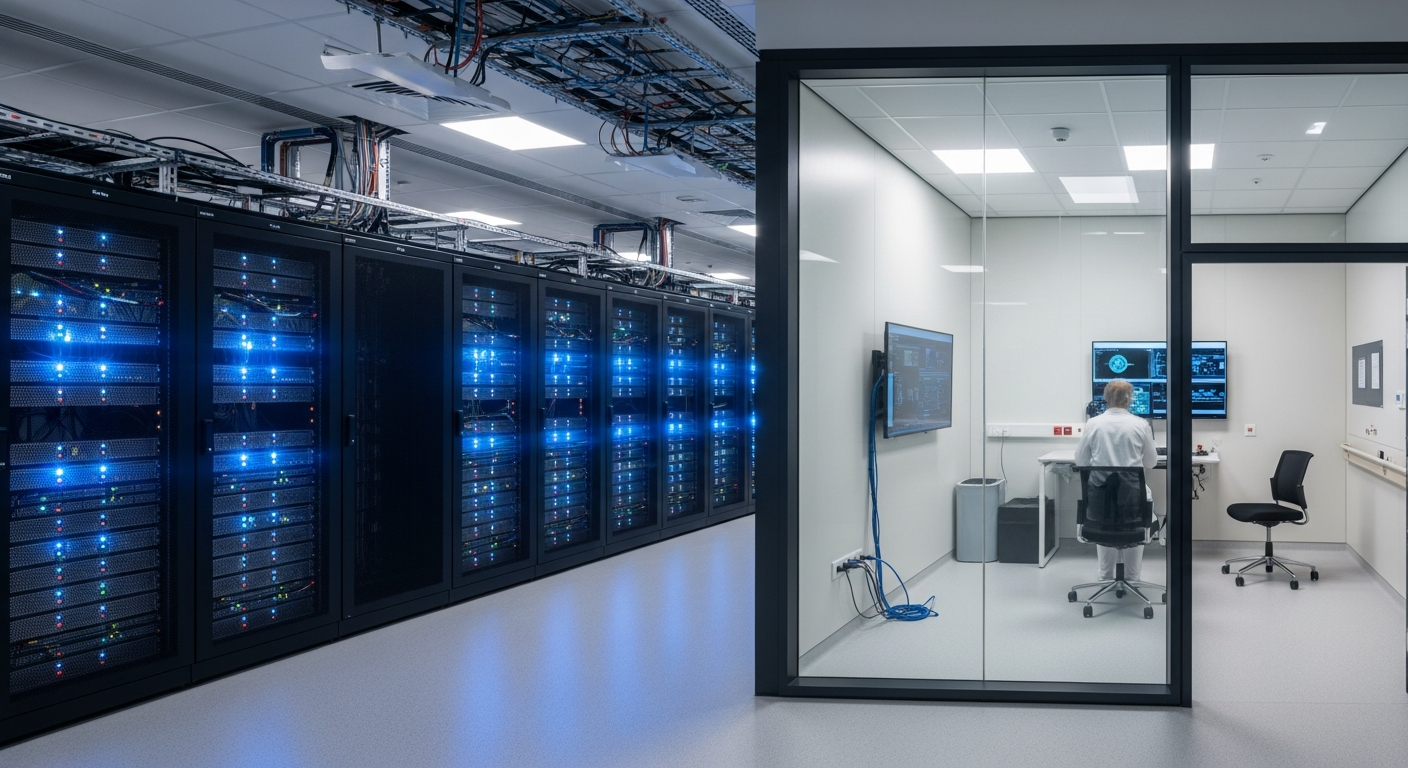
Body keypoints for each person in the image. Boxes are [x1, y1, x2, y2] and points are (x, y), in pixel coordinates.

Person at [1074, 379, 1157, 583]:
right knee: (1139, 510)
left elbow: (1080, 461)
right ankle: (1132, 577)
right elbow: (1152, 462)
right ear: (1130, 399)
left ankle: (1105, 576)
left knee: (1104, 517)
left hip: (1100, 503)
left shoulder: (1093, 424)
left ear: (1106, 398)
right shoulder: (1140, 425)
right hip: (1131, 500)